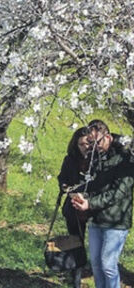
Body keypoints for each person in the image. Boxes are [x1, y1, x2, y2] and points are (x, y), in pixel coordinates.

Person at [72, 120, 134, 288]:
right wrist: (82, 194)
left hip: (116, 221)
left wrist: (89, 203)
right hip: (97, 219)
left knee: (108, 265)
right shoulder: (96, 156)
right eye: (90, 142)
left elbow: (118, 193)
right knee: (97, 265)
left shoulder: (125, 157)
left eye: (96, 142)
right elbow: (93, 183)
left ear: (107, 137)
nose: (93, 146)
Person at [57, 126, 93, 288]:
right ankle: (76, 280)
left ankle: (90, 271)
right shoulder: (70, 159)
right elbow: (62, 177)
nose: (85, 148)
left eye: (88, 144)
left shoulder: (98, 160)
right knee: (76, 242)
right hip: (74, 208)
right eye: (81, 144)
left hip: (93, 208)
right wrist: (64, 186)